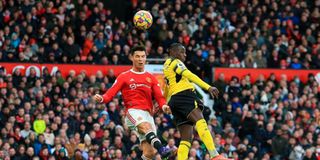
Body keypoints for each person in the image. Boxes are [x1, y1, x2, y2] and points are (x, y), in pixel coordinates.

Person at [94, 45, 174, 160]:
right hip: (133, 111)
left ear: (146, 58)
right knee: (146, 127)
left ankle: (157, 149)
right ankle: (162, 148)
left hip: (148, 114)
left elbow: (160, 97)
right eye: (137, 56)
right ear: (132, 58)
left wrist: (164, 106)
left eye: (143, 56)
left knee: (149, 153)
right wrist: (102, 98)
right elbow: (110, 93)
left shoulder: (151, 78)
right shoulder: (124, 76)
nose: (140, 59)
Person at [163, 43, 227, 160]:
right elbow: (189, 75)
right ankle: (214, 155)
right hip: (184, 96)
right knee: (200, 122)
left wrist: (165, 103)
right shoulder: (176, 62)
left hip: (174, 101)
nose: (185, 55)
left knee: (186, 139)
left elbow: (166, 88)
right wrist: (208, 87)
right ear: (173, 52)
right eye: (182, 52)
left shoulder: (166, 66)